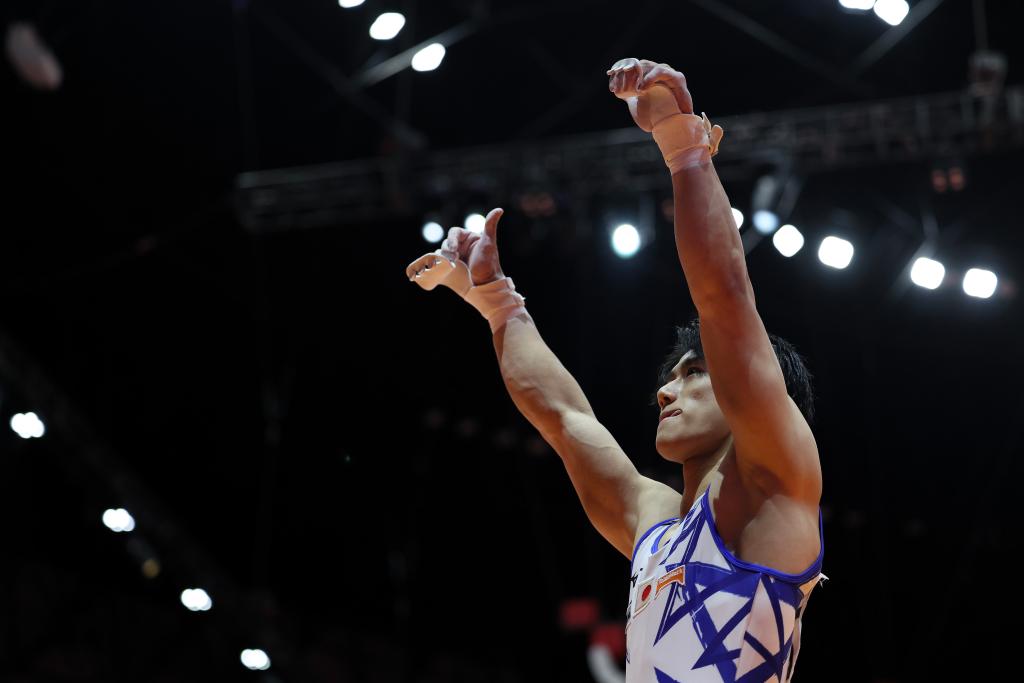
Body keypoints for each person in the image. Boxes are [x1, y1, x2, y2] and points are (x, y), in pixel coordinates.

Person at [406, 57, 825, 683]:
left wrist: (682, 145)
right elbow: (564, 418)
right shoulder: (653, 522)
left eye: (692, 373)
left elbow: (725, 298)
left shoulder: (776, 479)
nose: (665, 390)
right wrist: (497, 302)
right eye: (671, 376)